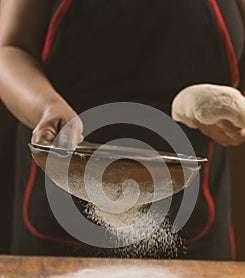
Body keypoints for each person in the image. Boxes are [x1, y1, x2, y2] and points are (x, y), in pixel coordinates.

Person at [0, 0, 244, 259]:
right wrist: (47, 108)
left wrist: (236, 113)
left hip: (194, 225)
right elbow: (10, 49)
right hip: (58, 223)